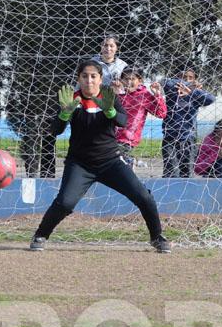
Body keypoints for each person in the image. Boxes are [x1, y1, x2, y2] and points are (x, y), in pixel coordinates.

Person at [29, 60, 170, 253]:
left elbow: (123, 121)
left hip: (110, 161)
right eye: (84, 76)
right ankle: (40, 235)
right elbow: (54, 129)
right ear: (78, 79)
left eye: (93, 76)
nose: (89, 80)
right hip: (80, 163)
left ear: (100, 79)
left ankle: (157, 237)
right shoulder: (72, 98)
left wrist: (110, 110)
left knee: (144, 196)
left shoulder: (109, 97)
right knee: (65, 203)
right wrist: (64, 114)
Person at [161, 67, 216, 177]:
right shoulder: (172, 92)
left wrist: (193, 91)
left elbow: (211, 99)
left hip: (188, 138)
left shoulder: (195, 95)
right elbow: (164, 81)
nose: (186, 80)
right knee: (171, 172)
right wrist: (184, 84)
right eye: (183, 77)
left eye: (190, 78)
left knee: (188, 171)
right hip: (170, 137)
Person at [114, 66, 167, 168]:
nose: (129, 82)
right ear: (121, 80)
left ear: (140, 81)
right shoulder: (117, 94)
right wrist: (112, 94)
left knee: (119, 162)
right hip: (111, 134)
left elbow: (161, 114)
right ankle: (131, 161)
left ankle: (130, 163)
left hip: (127, 137)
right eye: (126, 79)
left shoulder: (144, 95)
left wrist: (157, 95)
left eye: (132, 79)